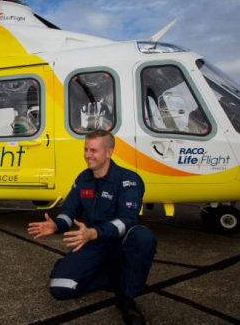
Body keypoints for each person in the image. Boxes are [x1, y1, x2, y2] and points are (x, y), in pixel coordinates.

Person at [28, 130, 157, 325]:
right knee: (60, 288)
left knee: (143, 236)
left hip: (119, 242)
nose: (88, 155)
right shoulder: (83, 179)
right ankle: (108, 275)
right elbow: (70, 211)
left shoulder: (128, 179)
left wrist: (96, 232)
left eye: (94, 150)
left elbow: (127, 220)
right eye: (86, 149)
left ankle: (126, 298)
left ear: (109, 152)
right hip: (94, 243)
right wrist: (56, 224)